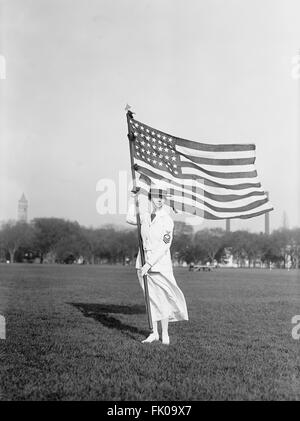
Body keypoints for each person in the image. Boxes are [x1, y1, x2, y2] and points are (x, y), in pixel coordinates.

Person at [126, 183, 188, 345]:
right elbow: (129, 218)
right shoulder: (145, 216)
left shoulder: (167, 220)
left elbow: (164, 245)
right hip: (142, 264)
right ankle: (153, 333)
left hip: (159, 266)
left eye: (162, 197)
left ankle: (165, 334)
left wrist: (150, 264)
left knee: (162, 300)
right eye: (156, 196)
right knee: (150, 299)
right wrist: (133, 199)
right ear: (150, 197)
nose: (159, 200)